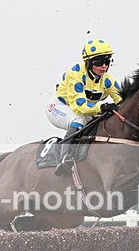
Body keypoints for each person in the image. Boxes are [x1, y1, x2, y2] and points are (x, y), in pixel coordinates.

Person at [45, 38, 123, 175]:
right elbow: (79, 107)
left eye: (107, 61)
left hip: (84, 110)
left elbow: (122, 100)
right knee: (78, 120)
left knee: (100, 124)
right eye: (99, 62)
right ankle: (64, 158)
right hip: (60, 107)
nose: (104, 66)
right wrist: (102, 107)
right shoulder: (75, 74)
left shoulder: (108, 80)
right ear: (88, 62)